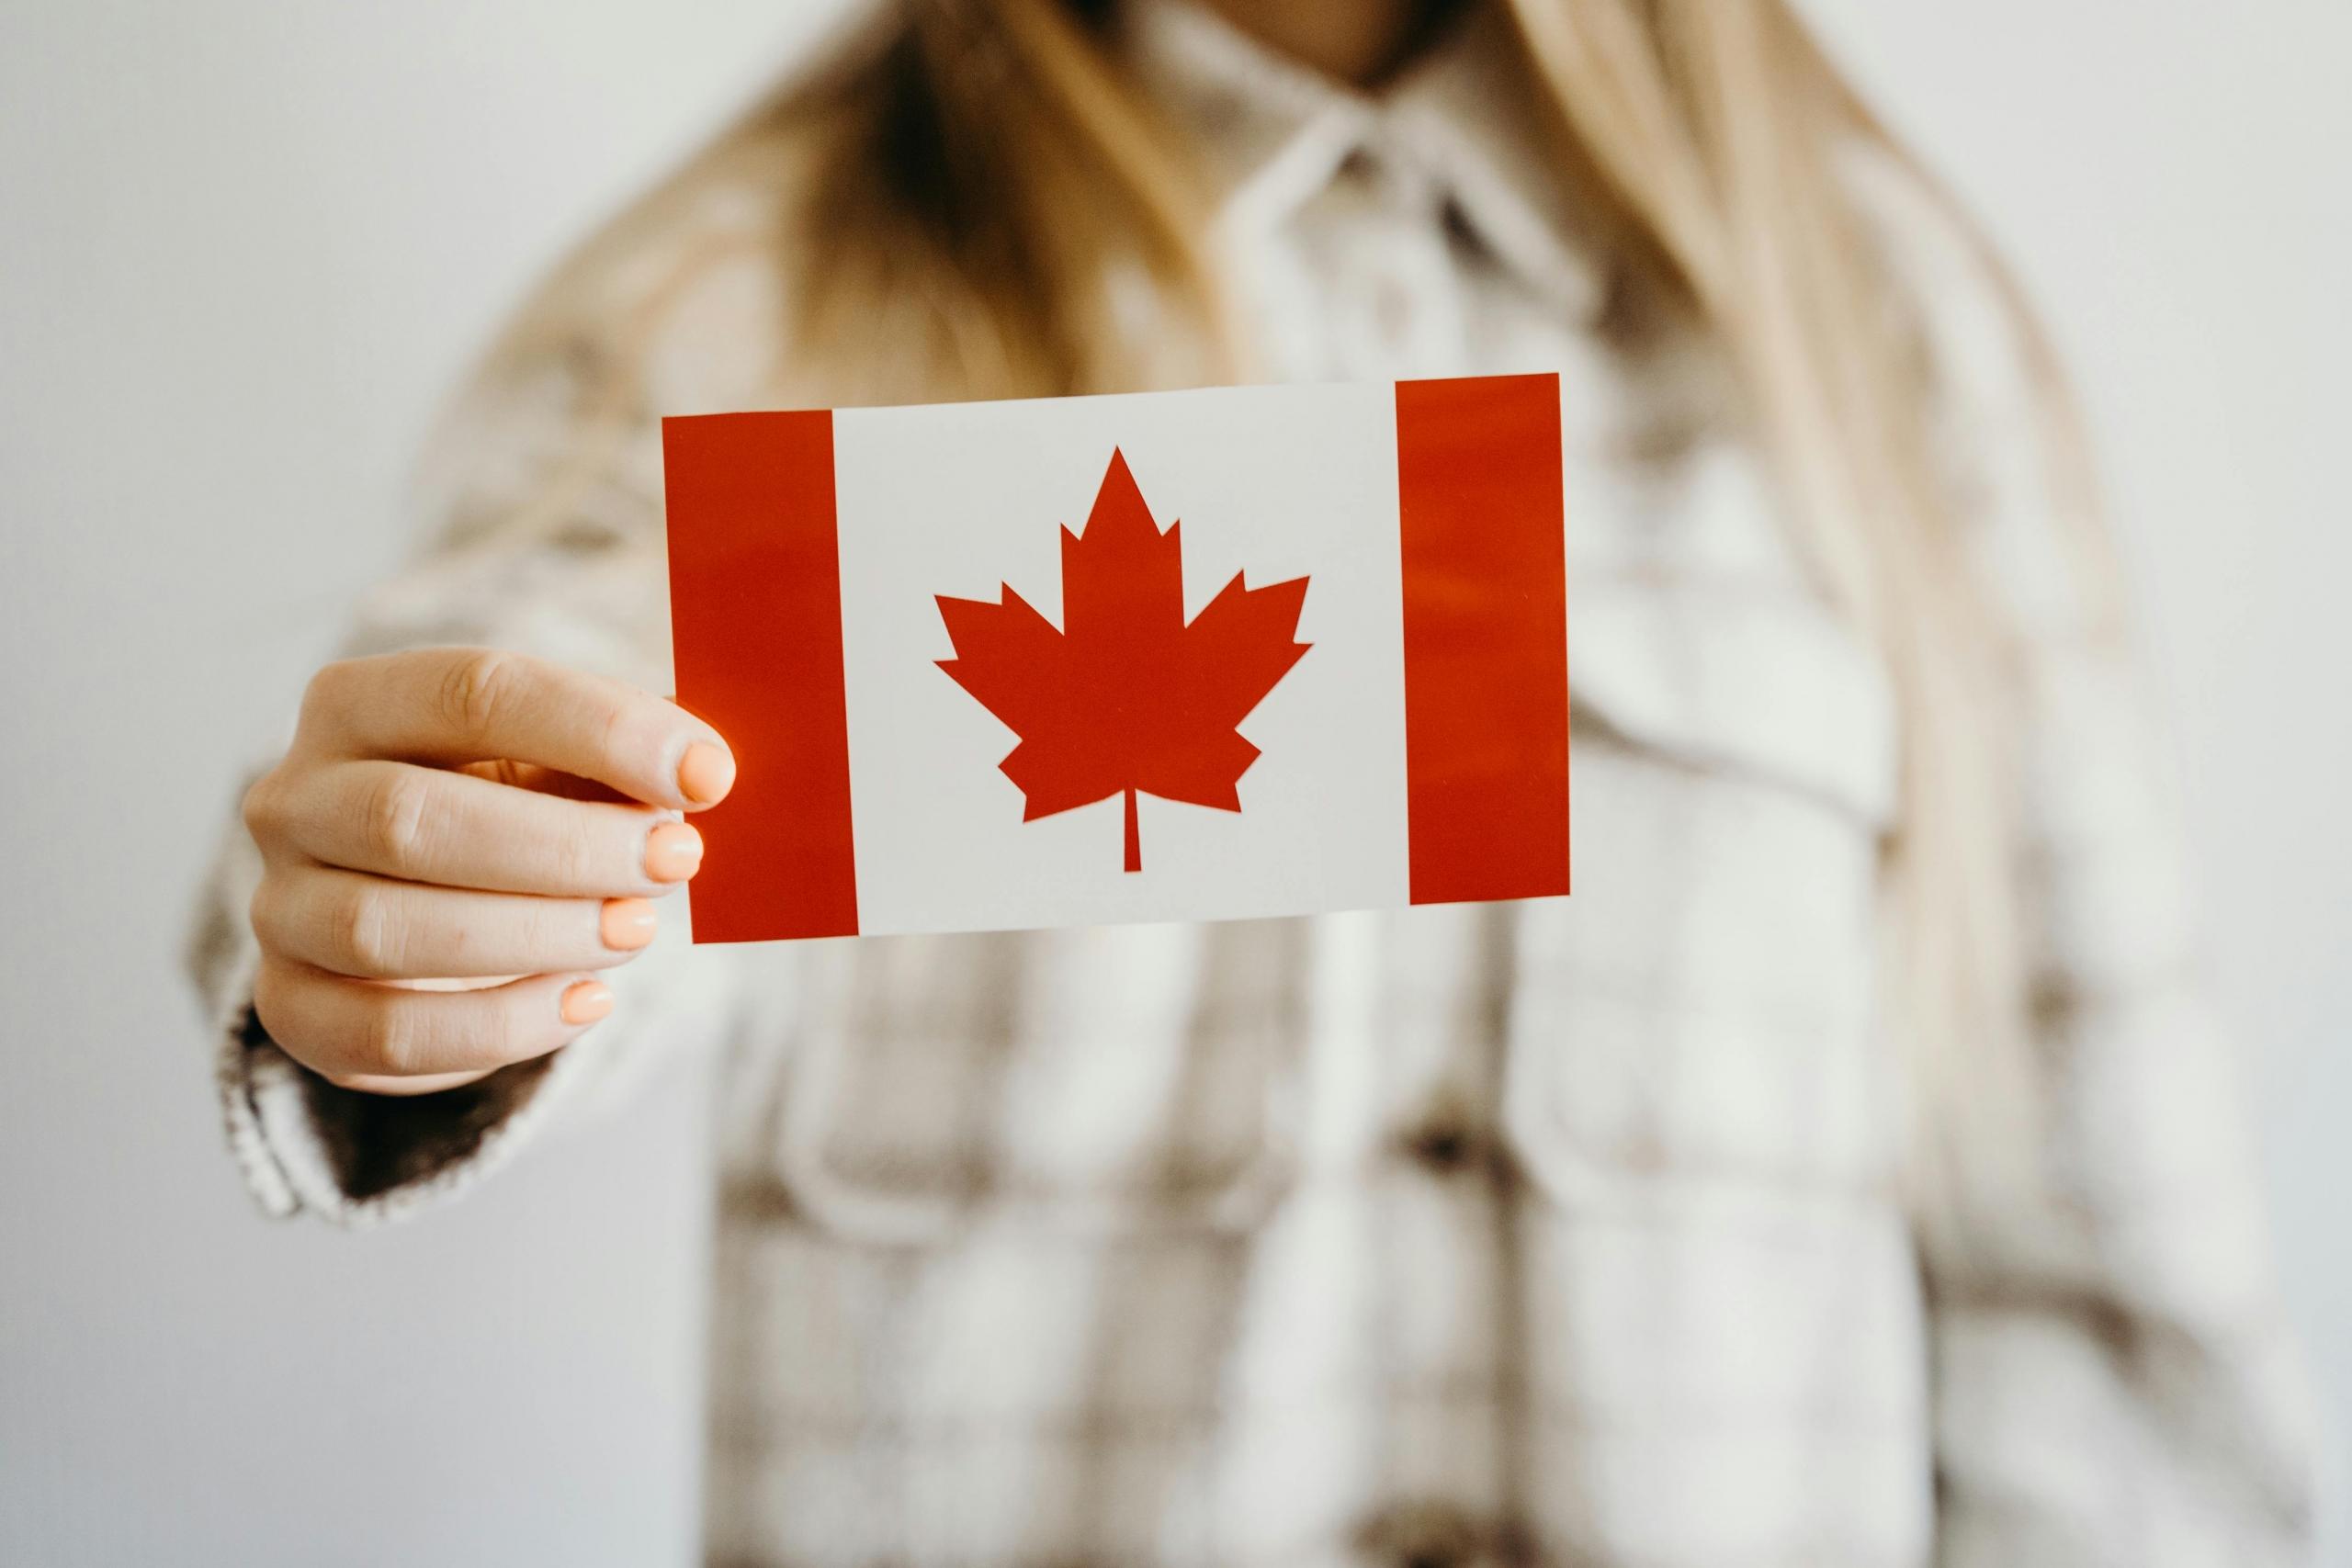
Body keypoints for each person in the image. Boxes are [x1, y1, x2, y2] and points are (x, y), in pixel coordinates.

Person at [187, 0, 2316, 1562]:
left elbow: (2102, 1313)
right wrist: (427, 907)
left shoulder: (1872, 330)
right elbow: (530, 685)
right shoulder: (752, 295)